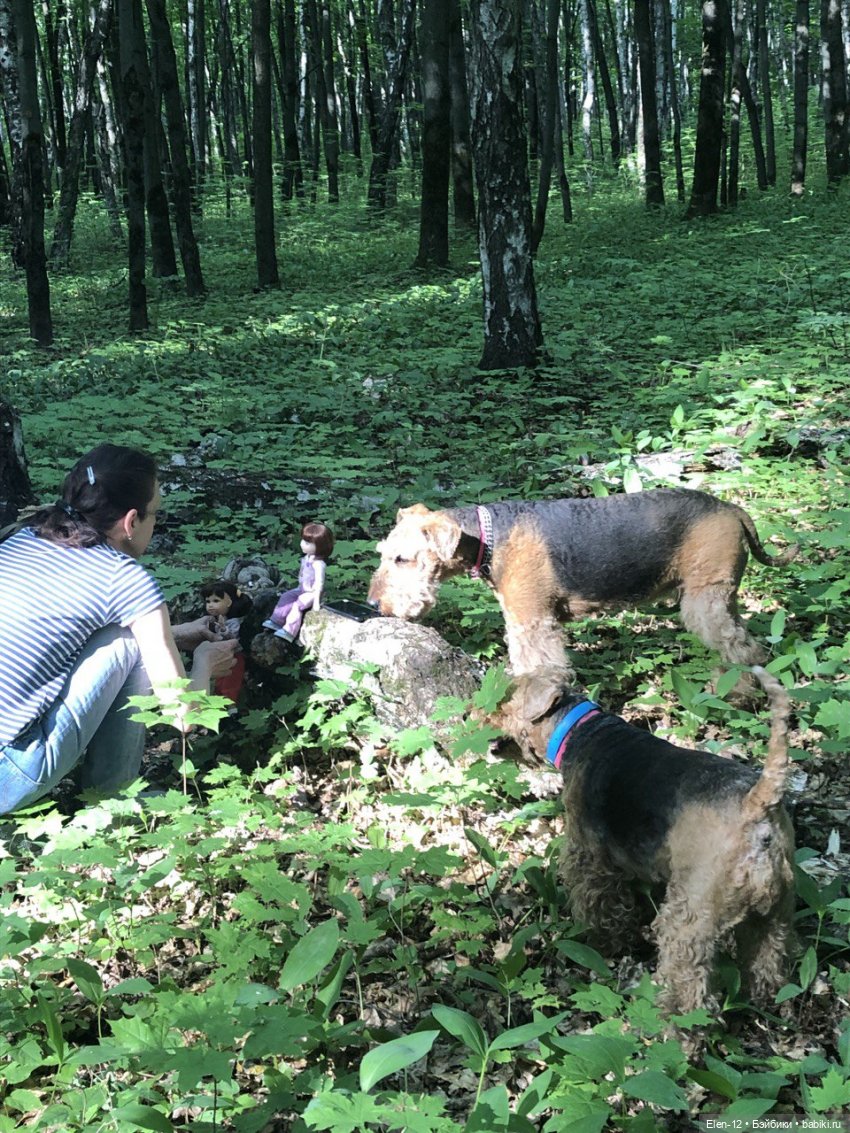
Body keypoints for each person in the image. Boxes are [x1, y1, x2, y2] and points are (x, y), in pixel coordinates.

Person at [0, 444, 239, 815]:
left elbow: (60, 640)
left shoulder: (26, 538)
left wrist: (171, 635)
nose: (155, 524)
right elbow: (183, 713)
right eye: (155, 514)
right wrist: (205, 662)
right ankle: (114, 799)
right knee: (131, 640)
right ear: (130, 522)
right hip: (10, 771)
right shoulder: (125, 580)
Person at [262, 521, 334, 642]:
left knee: (298, 605)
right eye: (303, 540)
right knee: (285, 597)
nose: (302, 544)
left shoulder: (318, 564)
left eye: (307, 542)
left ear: (320, 546)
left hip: (312, 592)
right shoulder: (306, 558)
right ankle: (277, 620)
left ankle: (290, 630)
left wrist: (316, 602)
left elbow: (319, 583)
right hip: (302, 588)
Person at [199, 579, 252, 709]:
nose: (210, 605)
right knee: (219, 681)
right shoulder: (216, 620)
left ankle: (231, 708)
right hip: (220, 655)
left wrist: (223, 629)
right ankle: (219, 707)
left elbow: (233, 637)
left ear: (229, 602)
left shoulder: (233, 622)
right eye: (208, 602)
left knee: (230, 682)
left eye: (216, 601)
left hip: (234, 655)